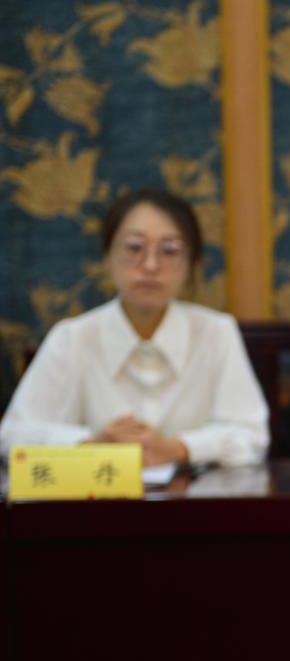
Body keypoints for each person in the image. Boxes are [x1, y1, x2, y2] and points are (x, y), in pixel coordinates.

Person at [0, 189, 268, 466]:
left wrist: (178, 448)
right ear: (107, 255)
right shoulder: (72, 338)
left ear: (191, 263)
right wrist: (90, 445)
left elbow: (253, 437)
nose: (151, 265)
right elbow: (12, 436)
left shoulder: (217, 333)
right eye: (134, 247)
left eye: (169, 251)